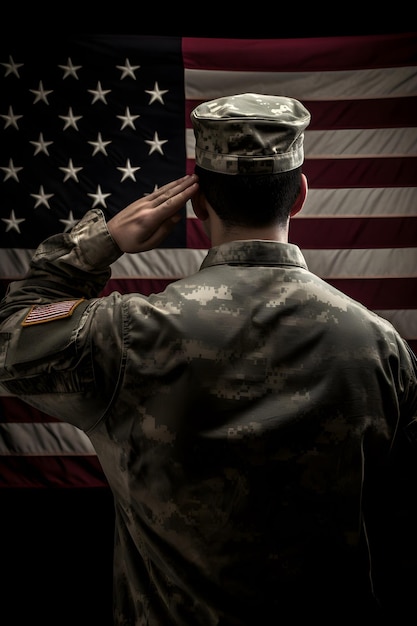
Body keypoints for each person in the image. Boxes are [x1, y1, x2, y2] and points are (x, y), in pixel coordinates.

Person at [0, 93, 416, 624]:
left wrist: (98, 245)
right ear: (300, 196)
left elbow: (10, 339)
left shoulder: (125, 334)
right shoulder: (381, 345)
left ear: (197, 205)